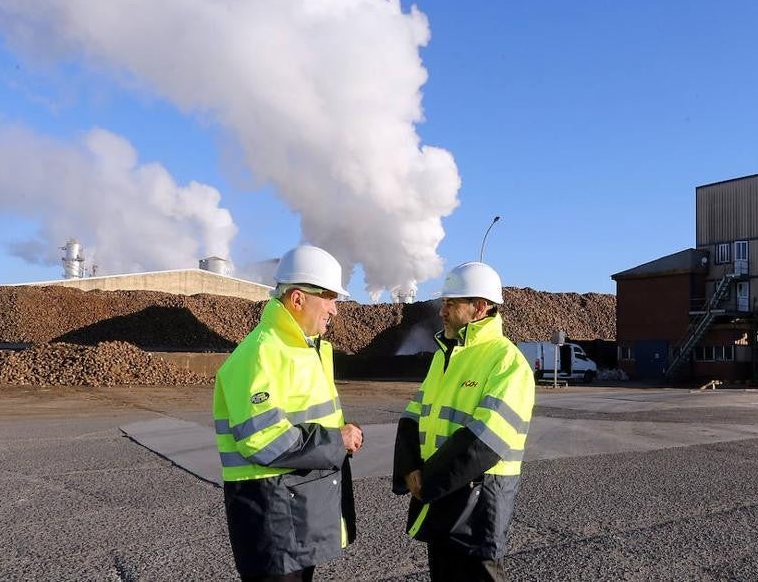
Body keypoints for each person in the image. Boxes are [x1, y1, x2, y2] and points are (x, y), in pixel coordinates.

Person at [214, 244, 365, 582]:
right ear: (298, 299)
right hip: (271, 519)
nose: (335, 310)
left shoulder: (301, 350)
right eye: (329, 297)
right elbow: (261, 437)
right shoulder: (262, 352)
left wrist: (339, 434)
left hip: (291, 515)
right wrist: (336, 440)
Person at [392, 261, 536, 582]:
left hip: (478, 500)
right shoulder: (447, 356)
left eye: (451, 303)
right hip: (442, 492)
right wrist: (409, 467)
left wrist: (426, 480)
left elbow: (488, 438)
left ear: (480, 307)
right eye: (443, 303)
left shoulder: (506, 361)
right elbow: (412, 416)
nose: (442, 311)